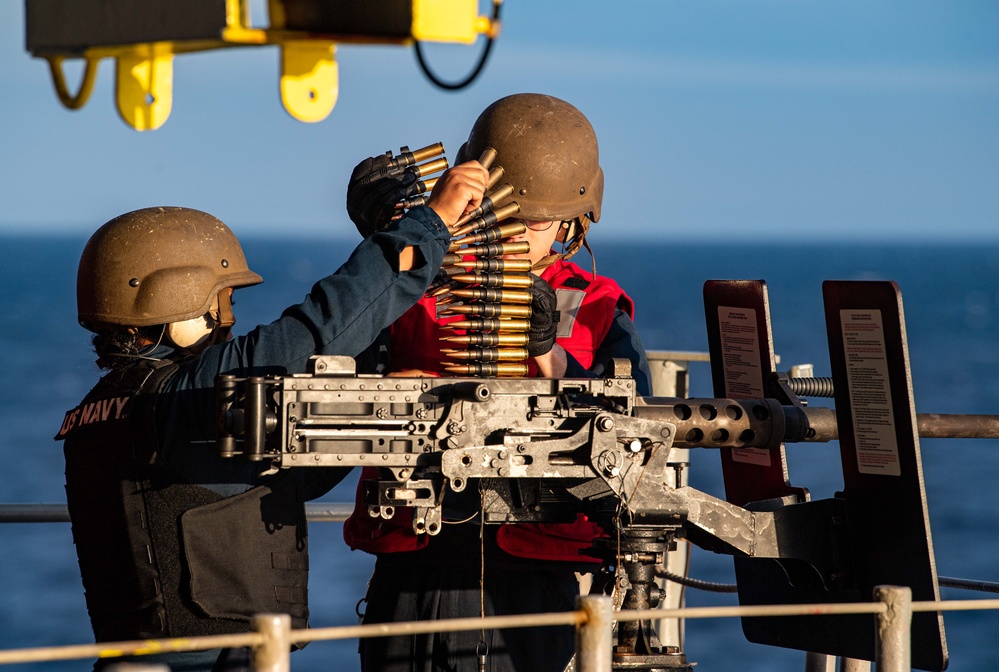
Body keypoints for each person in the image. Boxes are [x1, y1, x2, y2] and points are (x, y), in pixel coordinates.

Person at [55, 161, 488, 672]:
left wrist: (376, 358)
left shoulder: (105, 411)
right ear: (177, 299)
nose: (229, 319)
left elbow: (284, 480)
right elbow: (319, 329)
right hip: (217, 660)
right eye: (223, 300)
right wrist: (428, 226)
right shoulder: (191, 394)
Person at [342, 93, 652, 672]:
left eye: (529, 221)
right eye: (501, 214)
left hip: (530, 575)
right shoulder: (413, 283)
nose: (512, 233)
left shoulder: (597, 306)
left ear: (571, 222)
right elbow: (344, 378)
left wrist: (547, 356)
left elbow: (632, 426)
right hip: (415, 562)